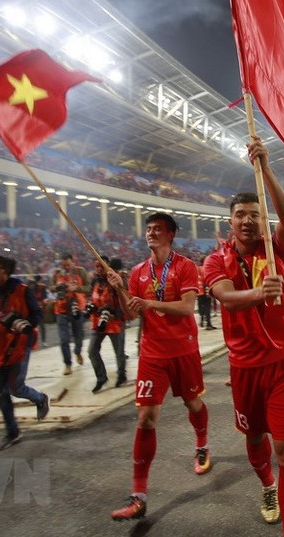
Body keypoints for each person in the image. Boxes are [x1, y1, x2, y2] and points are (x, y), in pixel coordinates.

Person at [203, 137, 284, 536]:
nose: (247, 220)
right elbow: (226, 298)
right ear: (229, 223)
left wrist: (264, 167)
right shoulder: (215, 260)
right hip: (245, 367)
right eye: (240, 215)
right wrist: (260, 293)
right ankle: (267, 486)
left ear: (263, 221)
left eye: (254, 214)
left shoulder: (276, 248)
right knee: (254, 436)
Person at [110, 213, 212, 522]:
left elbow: (187, 307)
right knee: (146, 419)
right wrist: (119, 289)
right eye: (149, 229)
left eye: (158, 229)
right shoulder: (138, 271)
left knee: (193, 403)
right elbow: (131, 314)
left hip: (183, 351)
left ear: (170, 235)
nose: (151, 233)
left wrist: (150, 303)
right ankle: (138, 497)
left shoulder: (185, 266)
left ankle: (202, 444)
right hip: (152, 355)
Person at [0, 254, 50, 450]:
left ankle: (40, 398)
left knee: (15, 388)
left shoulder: (22, 290)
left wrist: (21, 323)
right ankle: (12, 432)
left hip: (19, 346)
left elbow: (37, 315)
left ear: (6, 271)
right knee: (1, 393)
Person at [87, 256, 128, 393]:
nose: (99, 269)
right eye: (96, 266)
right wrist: (91, 306)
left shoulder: (116, 279)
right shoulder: (95, 281)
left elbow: (125, 298)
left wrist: (115, 312)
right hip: (98, 321)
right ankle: (101, 377)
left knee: (119, 352)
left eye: (101, 266)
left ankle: (121, 375)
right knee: (92, 350)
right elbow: (90, 296)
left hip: (115, 321)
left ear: (108, 266)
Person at [51, 252, 89, 375]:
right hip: (61, 309)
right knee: (64, 339)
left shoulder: (80, 271)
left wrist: (76, 288)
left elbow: (89, 287)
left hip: (77, 307)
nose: (66, 267)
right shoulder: (57, 273)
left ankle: (77, 352)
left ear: (73, 261)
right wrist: (56, 287)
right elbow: (51, 287)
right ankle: (68, 364)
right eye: (63, 265)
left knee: (79, 335)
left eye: (68, 264)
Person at [27, 274, 49, 346]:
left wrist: (42, 304)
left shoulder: (42, 287)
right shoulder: (30, 288)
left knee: (42, 325)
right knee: (33, 326)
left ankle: (43, 341)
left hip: (39, 307)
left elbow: (45, 297)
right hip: (34, 307)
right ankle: (34, 342)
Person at [196, 259, 217, 330]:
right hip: (205, 288)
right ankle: (208, 324)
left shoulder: (197, 268)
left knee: (201, 306)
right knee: (208, 306)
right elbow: (207, 278)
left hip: (199, 290)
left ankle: (201, 319)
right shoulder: (205, 268)